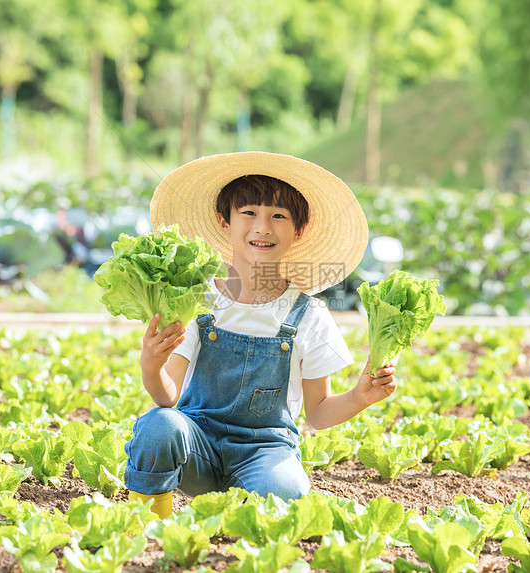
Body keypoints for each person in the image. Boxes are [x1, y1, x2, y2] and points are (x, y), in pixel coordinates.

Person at [125, 152, 397, 518]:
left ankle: (249, 510)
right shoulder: (195, 300)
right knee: (157, 426)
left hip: (264, 451)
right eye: (249, 212)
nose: (263, 226)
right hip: (197, 444)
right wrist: (151, 366)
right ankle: (148, 524)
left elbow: (317, 413)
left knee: (286, 491)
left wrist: (360, 396)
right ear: (225, 222)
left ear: (298, 230)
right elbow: (166, 396)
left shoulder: (308, 314)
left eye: (278, 216)